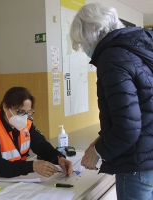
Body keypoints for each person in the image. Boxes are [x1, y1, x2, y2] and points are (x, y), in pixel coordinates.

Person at [70, 2, 153, 200]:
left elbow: (127, 127)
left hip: (137, 164)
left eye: (83, 44)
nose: (85, 50)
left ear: (91, 34)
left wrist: (98, 151)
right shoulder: (140, 47)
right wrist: (102, 139)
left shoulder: (112, 56)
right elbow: (143, 108)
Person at [0, 87, 72, 179]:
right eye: (20, 112)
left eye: (28, 112)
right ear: (5, 107)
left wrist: (59, 158)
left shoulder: (26, 124)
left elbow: (41, 145)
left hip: (14, 177)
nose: (24, 117)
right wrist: (32, 166)